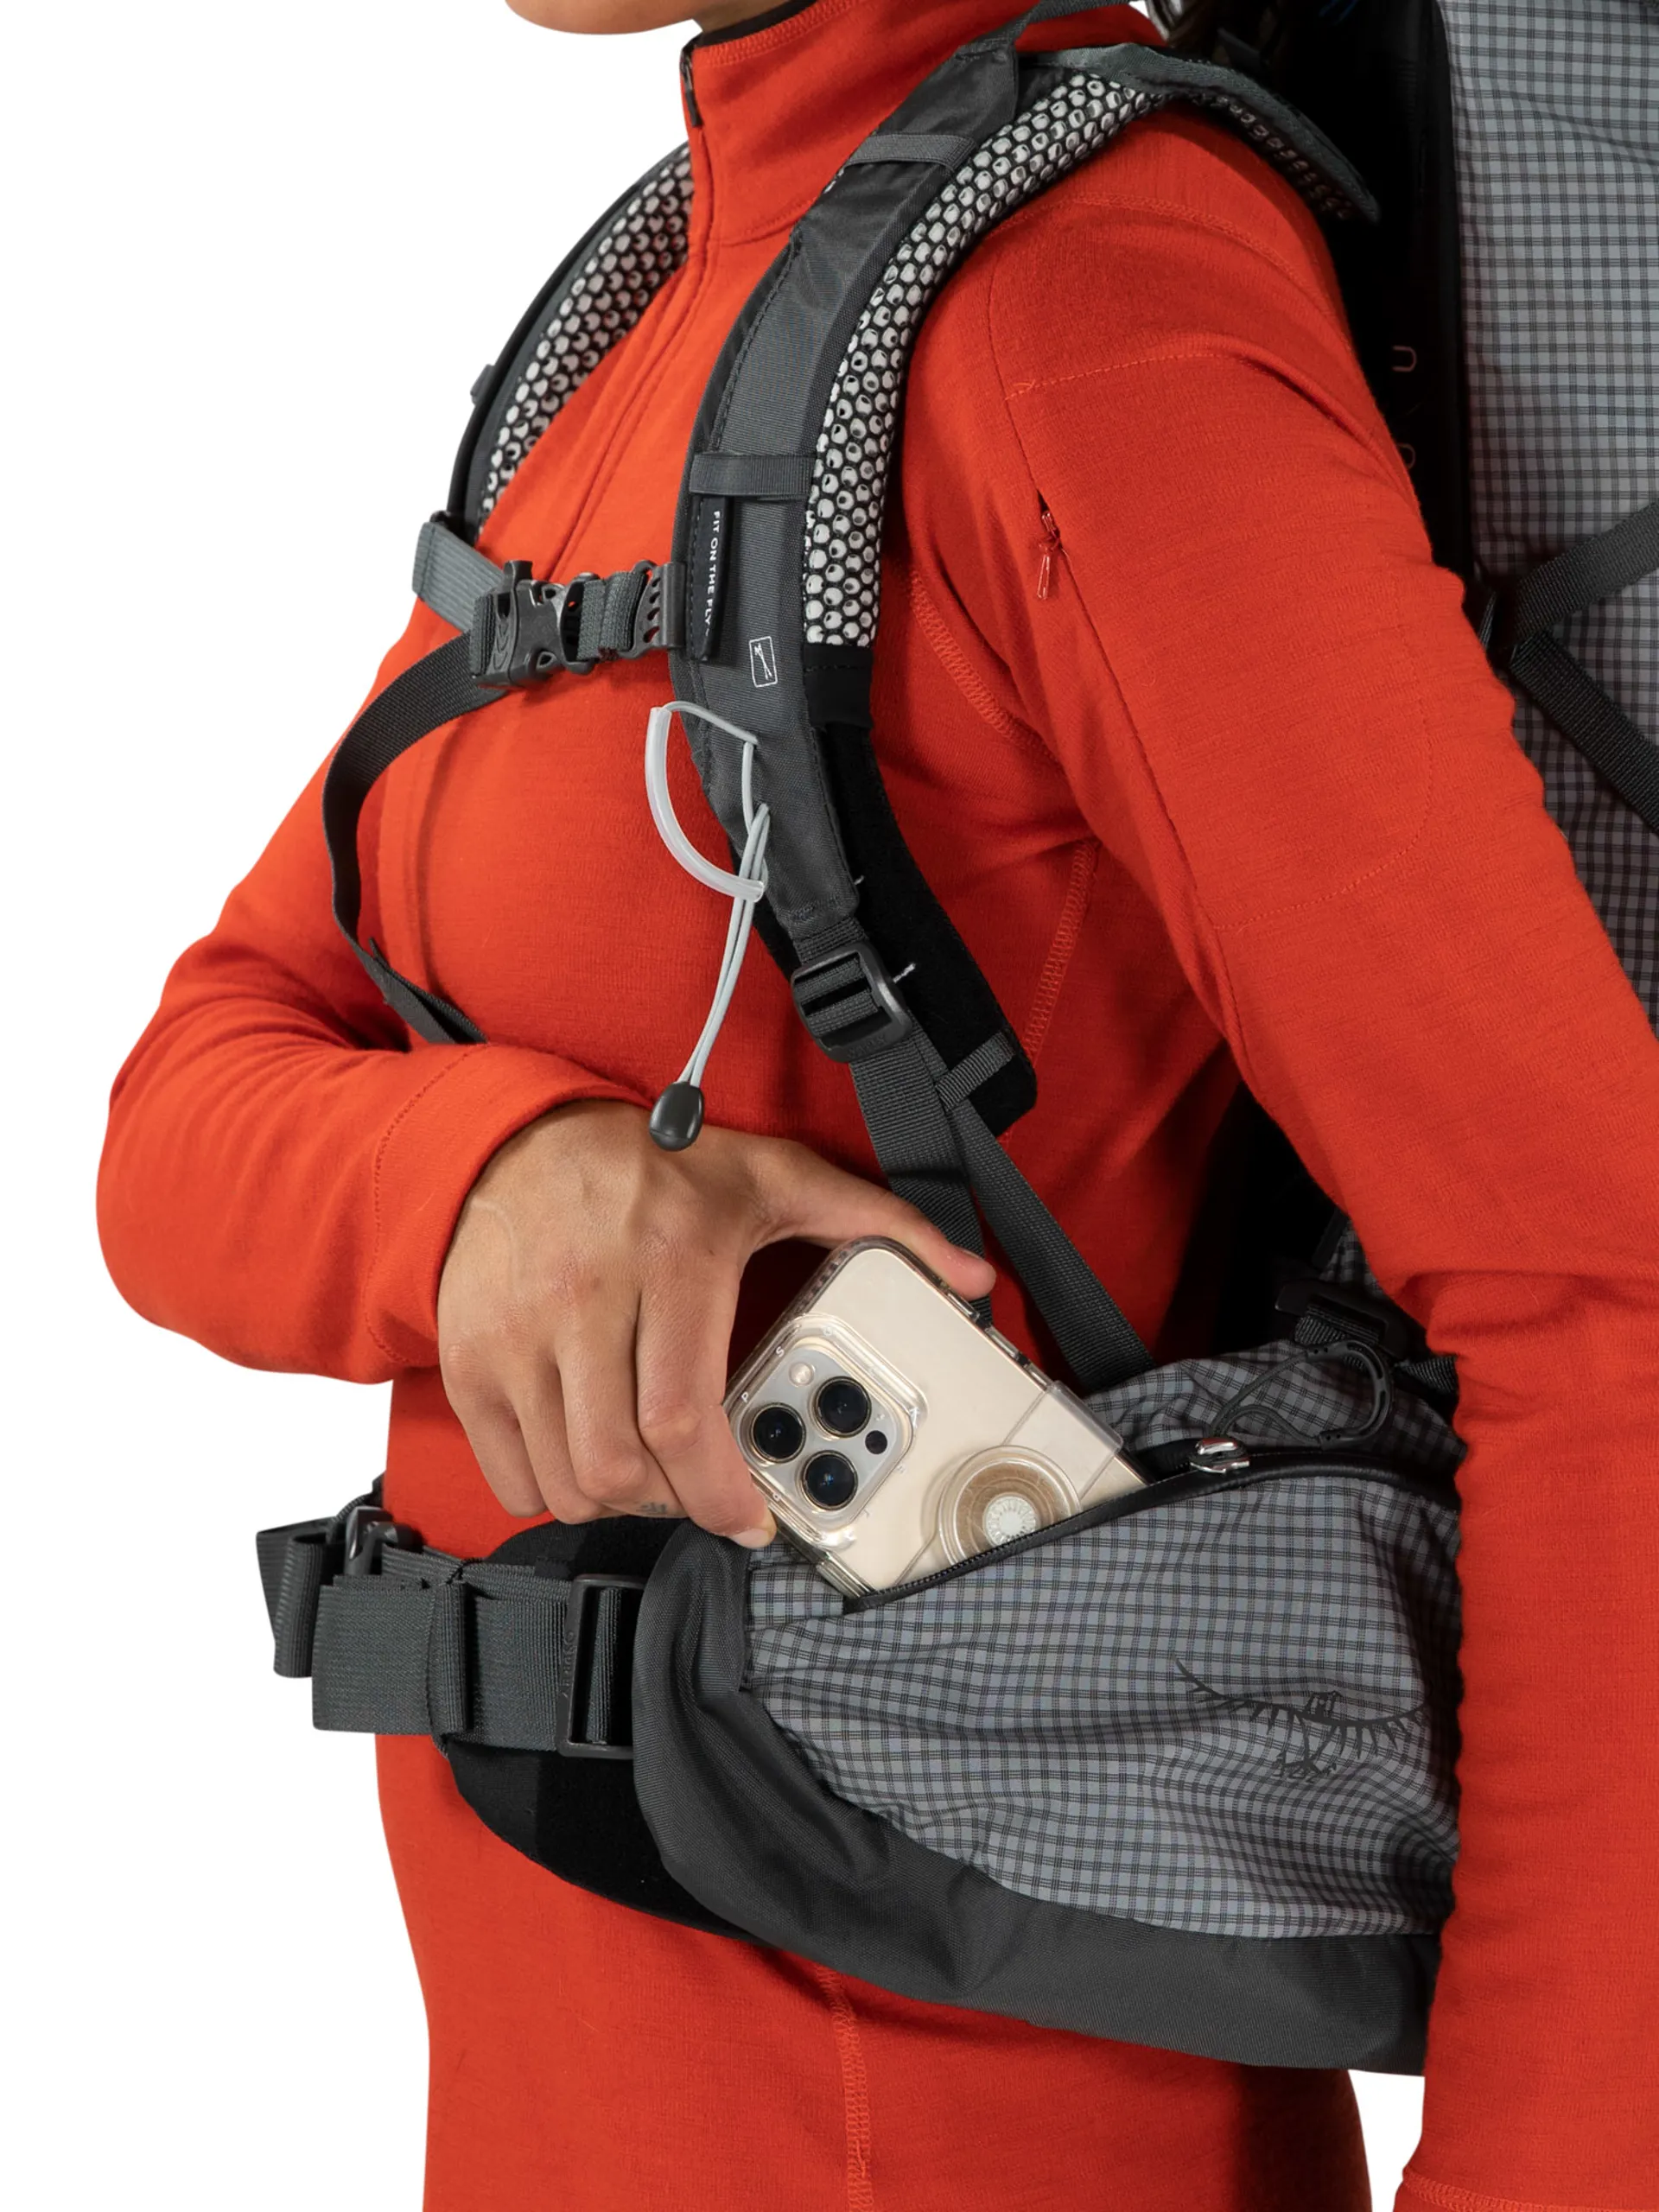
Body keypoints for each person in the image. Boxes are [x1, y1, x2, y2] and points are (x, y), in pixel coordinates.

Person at [98, 1, 1659, 2206]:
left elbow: (1604, 1296)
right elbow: (184, 1099)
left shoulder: (1083, 299)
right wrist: (491, 1178)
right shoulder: (688, 286)